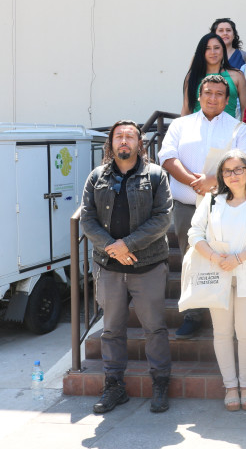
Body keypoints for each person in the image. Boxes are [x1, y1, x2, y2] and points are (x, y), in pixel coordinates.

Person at [82, 120, 173, 415]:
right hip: (109, 267)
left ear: (139, 143)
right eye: (118, 136)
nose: (124, 140)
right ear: (111, 142)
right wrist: (113, 248)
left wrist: (128, 245)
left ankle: (160, 383)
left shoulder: (156, 176)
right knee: (111, 330)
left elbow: (162, 219)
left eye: (129, 136)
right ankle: (114, 386)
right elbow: (87, 219)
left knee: (155, 329)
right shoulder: (97, 177)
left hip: (147, 266)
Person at [160, 75, 246, 340]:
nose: (213, 98)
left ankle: (227, 312)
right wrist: (195, 183)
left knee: (227, 257)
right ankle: (193, 314)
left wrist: (214, 180)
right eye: (208, 93)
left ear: (227, 100)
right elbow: (167, 157)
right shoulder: (181, 125)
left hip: (226, 208)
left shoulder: (238, 128)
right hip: (187, 207)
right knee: (191, 259)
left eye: (219, 94)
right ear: (199, 97)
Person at [187, 149, 246, 411]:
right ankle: (230, 386)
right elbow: (195, 233)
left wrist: (238, 259)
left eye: (239, 169)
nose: (233, 175)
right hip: (218, 272)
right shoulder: (211, 201)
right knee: (222, 332)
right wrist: (215, 257)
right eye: (227, 171)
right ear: (221, 175)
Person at [182, 33, 246, 119]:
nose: (213, 52)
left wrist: (241, 129)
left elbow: (245, 109)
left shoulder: (237, 75)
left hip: (229, 130)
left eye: (216, 48)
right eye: (207, 48)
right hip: (198, 130)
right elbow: (186, 110)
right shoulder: (192, 76)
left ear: (223, 50)